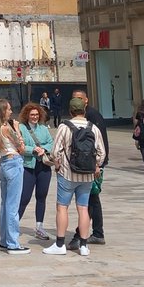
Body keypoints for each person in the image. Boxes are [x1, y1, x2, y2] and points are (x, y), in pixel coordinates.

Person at [43, 97, 106, 257]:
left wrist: (56, 164)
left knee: (62, 207)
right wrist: (95, 165)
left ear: (70, 111)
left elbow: (55, 151)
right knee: (83, 208)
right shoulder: (93, 128)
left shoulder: (64, 127)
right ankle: (84, 245)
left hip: (67, 173)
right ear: (84, 111)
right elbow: (101, 153)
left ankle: (59, 244)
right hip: (87, 175)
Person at [66, 89, 109, 249]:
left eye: (79, 98)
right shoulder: (82, 117)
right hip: (86, 165)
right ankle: (98, 233)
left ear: (86, 100)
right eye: (73, 98)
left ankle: (80, 235)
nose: (76, 101)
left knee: (89, 200)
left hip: (92, 166)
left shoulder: (92, 116)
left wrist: (99, 164)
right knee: (93, 199)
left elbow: (101, 143)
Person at [0, 97, 26, 253]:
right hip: (14, 162)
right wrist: (17, 128)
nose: (11, 111)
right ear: (3, 111)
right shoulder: (6, 128)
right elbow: (21, 147)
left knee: (5, 203)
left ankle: (4, 239)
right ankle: (12, 242)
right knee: (12, 205)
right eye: (8, 109)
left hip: (4, 163)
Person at [17, 103, 54, 241]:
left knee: (41, 196)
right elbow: (19, 146)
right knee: (24, 197)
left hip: (43, 166)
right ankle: (14, 224)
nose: (34, 117)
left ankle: (39, 226)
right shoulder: (20, 128)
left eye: (37, 115)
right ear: (27, 115)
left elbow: (51, 142)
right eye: (32, 115)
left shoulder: (43, 129)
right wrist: (32, 149)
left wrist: (43, 149)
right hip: (28, 166)